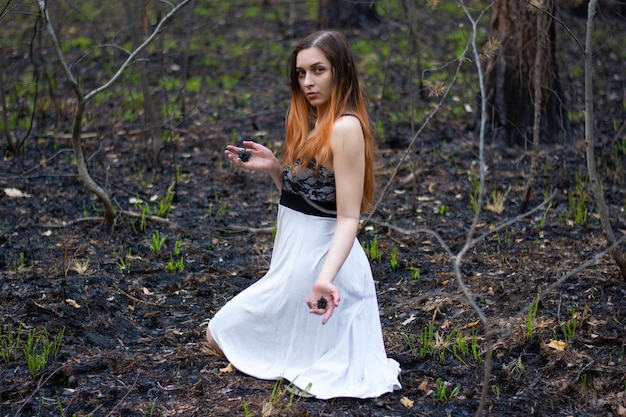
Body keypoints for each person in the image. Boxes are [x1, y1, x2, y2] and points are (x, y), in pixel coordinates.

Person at [206, 30, 401, 400]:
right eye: (301, 73)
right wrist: (276, 169)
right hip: (294, 262)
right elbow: (311, 202)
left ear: (340, 72)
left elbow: (346, 218)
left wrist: (325, 279)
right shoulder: (312, 120)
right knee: (221, 334)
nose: (308, 82)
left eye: (318, 70)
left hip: (323, 267)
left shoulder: (345, 127)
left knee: (221, 333)